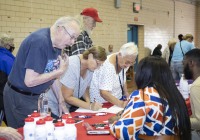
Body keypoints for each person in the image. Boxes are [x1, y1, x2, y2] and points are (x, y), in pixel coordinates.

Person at [3, 16, 81, 128]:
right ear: (60, 29)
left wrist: (61, 101)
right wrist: (59, 72)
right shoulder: (39, 42)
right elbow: (30, 81)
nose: (73, 42)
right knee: (27, 133)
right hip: (19, 97)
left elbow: (51, 75)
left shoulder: (57, 45)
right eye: (72, 37)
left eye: (75, 39)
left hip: (33, 97)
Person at [110, 56, 191, 140]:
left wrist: (115, 124)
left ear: (142, 74)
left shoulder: (143, 95)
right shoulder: (175, 94)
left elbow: (123, 133)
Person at [48, 46, 107, 115]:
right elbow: (67, 97)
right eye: (97, 63)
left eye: (100, 65)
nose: (98, 67)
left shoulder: (90, 69)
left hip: (66, 106)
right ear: (90, 56)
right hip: (53, 105)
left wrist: (88, 102)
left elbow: (86, 88)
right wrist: (89, 106)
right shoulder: (72, 65)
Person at [90, 42, 138, 108]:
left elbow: (122, 78)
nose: (128, 65)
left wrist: (126, 94)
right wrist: (121, 104)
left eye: (132, 63)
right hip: (101, 104)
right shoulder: (108, 66)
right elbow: (104, 93)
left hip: (116, 100)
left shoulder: (123, 61)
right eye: (127, 62)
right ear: (120, 55)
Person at [183, 48, 200, 139]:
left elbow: (199, 122)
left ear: (191, 63)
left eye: (183, 64)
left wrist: (179, 119)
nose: (182, 68)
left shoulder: (196, 86)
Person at [0, 34, 15, 126]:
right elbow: (14, 80)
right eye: (12, 44)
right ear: (8, 45)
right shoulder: (7, 60)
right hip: (3, 97)